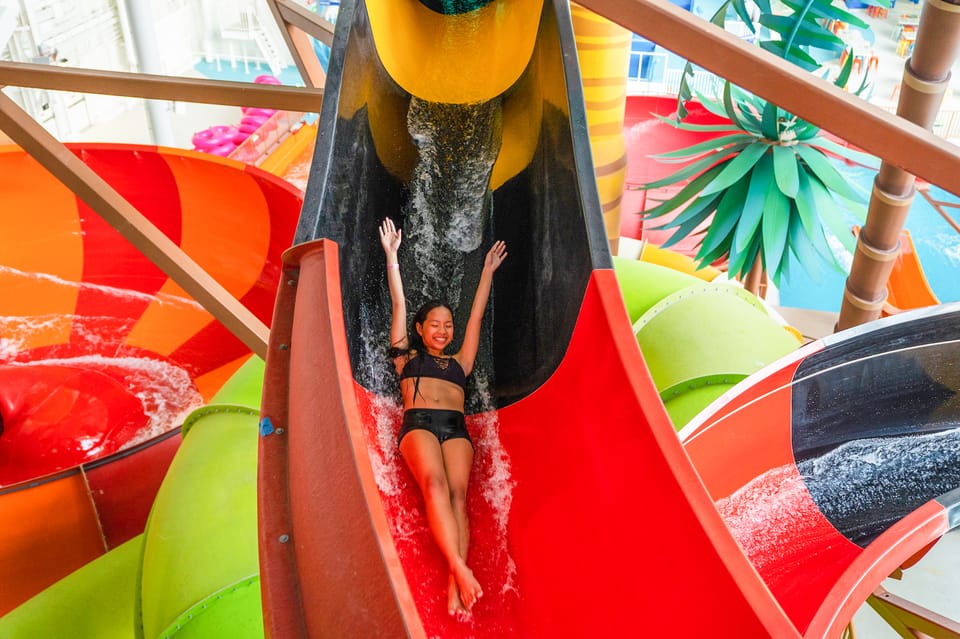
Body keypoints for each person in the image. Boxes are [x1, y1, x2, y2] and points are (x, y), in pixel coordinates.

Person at [378, 217, 507, 616]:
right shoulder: (407, 357)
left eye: (447, 325)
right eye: (434, 324)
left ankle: (457, 576)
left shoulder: (460, 363)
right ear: (420, 328)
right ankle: (458, 567)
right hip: (418, 425)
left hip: (455, 429)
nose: (442, 329)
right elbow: (399, 303)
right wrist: (392, 257)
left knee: (457, 498)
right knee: (433, 486)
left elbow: (476, 319)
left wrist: (486, 272)